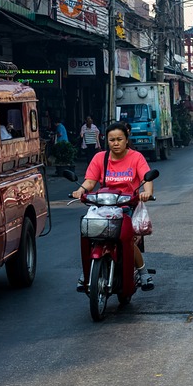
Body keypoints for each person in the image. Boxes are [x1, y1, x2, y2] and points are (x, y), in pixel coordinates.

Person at [71, 121, 155, 290]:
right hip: (103, 206)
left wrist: (147, 192)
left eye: (119, 139)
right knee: (89, 232)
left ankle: (143, 273)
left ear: (126, 139)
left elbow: (147, 178)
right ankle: (87, 272)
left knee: (127, 240)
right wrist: (80, 190)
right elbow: (90, 181)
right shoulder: (99, 158)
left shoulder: (136, 157)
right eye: (111, 140)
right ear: (106, 141)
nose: (115, 143)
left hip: (126, 205)